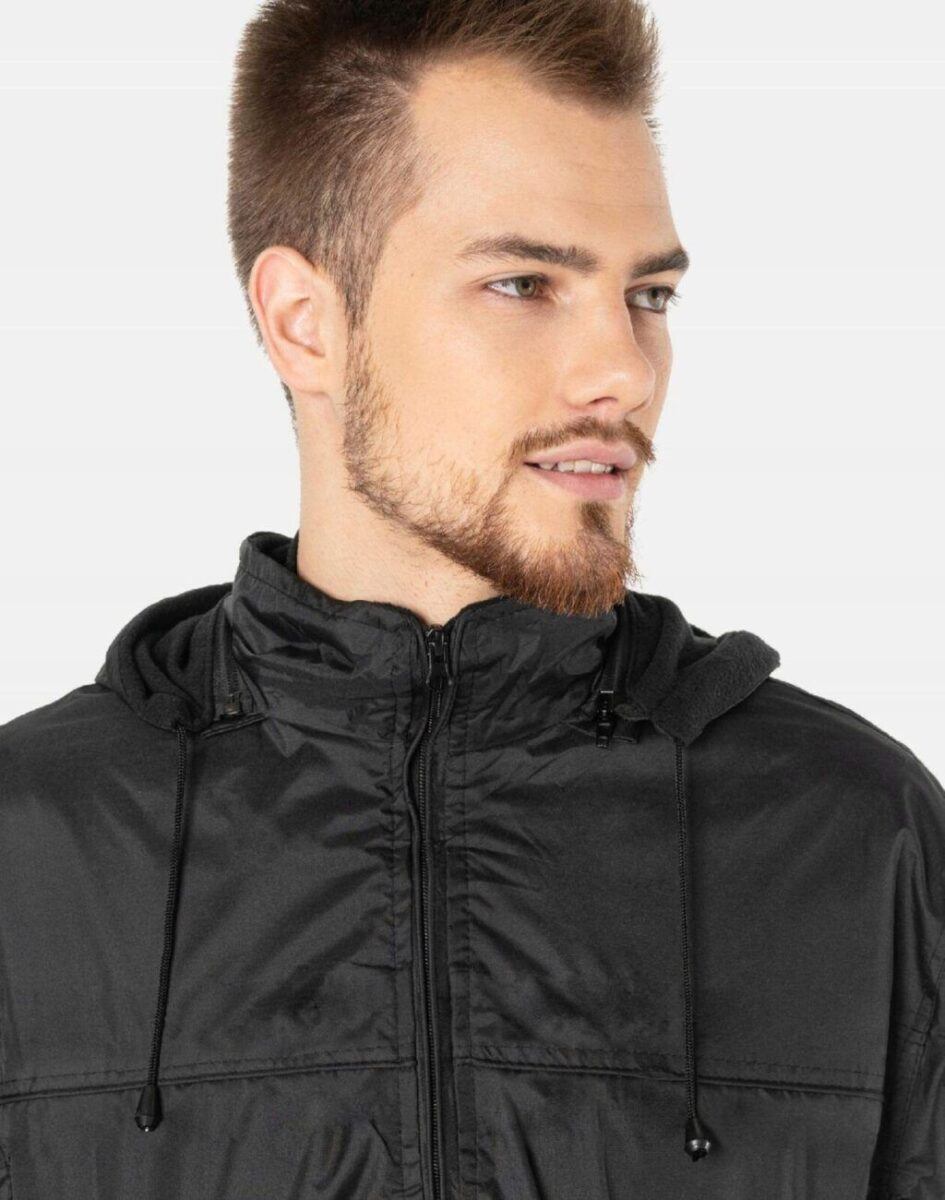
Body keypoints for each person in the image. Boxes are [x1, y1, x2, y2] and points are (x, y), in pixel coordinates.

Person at [0, 1, 941, 1196]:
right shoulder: (32, 845)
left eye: (649, 295)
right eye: (524, 283)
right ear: (305, 324)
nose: (622, 370)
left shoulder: (855, 837)